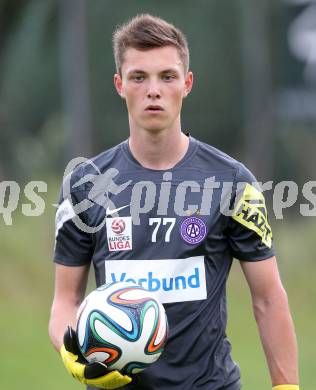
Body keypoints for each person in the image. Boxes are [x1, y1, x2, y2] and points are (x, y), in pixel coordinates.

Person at [49, 13, 299, 390]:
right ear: (119, 84)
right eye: (139, 77)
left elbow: (268, 298)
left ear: (187, 83)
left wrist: (286, 387)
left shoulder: (231, 183)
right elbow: (65, 300)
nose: (154, 90)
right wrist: (72, 351)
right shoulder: (86, 185)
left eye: (167, 76)